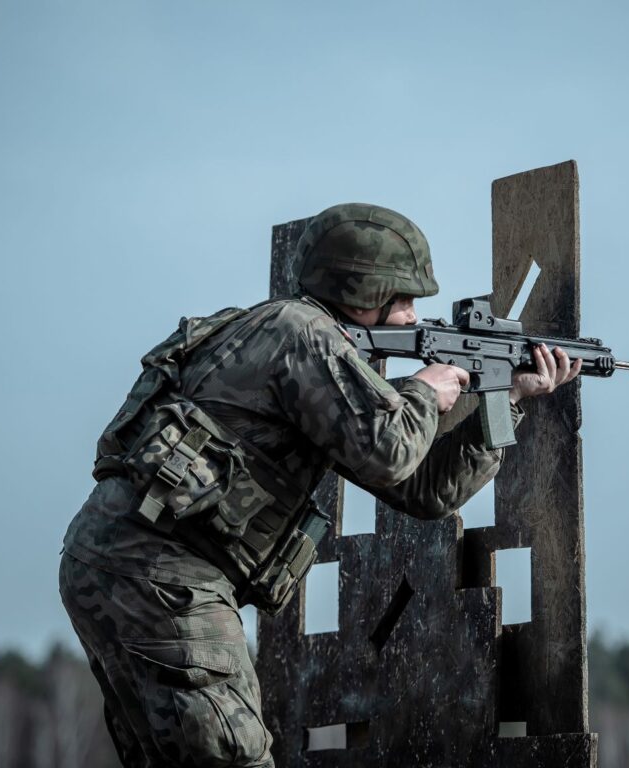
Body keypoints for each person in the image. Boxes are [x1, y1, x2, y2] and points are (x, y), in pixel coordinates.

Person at [59, 203, 581, 767]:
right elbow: (390, 451)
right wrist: (427, 391)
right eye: (402, 298)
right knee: (235, 758)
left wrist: (509, 399)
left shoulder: (298, 337)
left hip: (123, 562)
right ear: (362, 289)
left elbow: (423, 490)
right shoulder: (303, 334)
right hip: (164, 574)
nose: (411, 317)